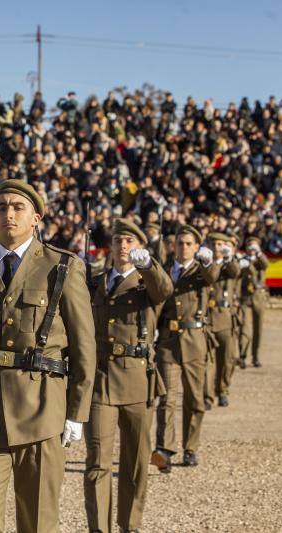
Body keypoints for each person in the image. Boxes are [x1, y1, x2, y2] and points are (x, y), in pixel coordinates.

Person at [0, 179, 95, 533]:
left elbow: (84, 345)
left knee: (38, 519)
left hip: (42, 407)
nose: (8, 214)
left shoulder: (62, 266)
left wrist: (77, 412)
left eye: (18, 207)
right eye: (1, 207)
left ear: (36, 218)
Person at [84, 218, 173, 533]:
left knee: (135, 462)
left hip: (137, 379)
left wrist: (149, 265)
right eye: (119, 241)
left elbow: (164, 289)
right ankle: (99, 528)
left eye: (130, 242)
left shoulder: (146, 281)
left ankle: (129, 525)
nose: (123, 247)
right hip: (101, 380)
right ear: (111, 246)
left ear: (140, 247)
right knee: (97, 462)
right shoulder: (96, 280)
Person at [151, 225, 219, 472]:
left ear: (197, 247)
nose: (183, 248)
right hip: (168, 343)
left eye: (189, 243)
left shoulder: (202, 270)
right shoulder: (165, 268)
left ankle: (190, 447)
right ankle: (164, 450)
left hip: (193, 342)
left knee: (194, 398)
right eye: (180, 243)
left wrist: (208, 261)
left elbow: (213, 276)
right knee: (166, 399)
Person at [204, 233, 241, 409]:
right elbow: (209, 276)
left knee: (227, 358)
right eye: (215, 244)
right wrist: (215, 261)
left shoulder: (228, 264)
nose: (217, 247)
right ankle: (207, 395)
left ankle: (223, 390)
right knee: (207, 360)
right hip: (208, 315)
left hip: (225, 316)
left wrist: (228, 257)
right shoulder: (205, 263)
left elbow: (235, 271)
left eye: (220, 244)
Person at [237, 236, 269, 368]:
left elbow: (265, 264)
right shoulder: (242, 260)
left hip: (259, 295)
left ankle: (255, 356)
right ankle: (242, 355)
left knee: (258, 328)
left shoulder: (261, 260)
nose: (251, 248)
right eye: (250, 245)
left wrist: (259, 253)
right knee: (244, 328)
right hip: (245, 295)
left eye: (254, 246)